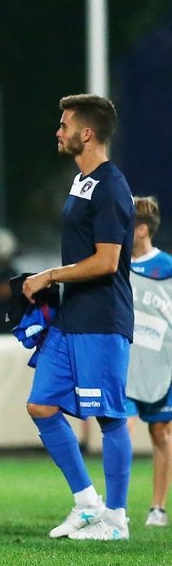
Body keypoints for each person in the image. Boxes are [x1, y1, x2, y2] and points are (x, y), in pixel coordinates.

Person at [22, 94, 134, 541]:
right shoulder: (81, 181)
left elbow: (107, 261)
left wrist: (50, 274)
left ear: (86, 134)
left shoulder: (111, 187)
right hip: (71, 317)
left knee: (109, 418)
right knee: (41, 404)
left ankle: (117, 520)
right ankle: (88, 504)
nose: (58, 131)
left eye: (64, 125)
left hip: (102, 319)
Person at [124, 196, 172, 528]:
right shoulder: (112, 264)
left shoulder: (167, 268)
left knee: (161, 433)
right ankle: (116, 505)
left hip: (160, 367)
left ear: (141, 230)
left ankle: (157, 507)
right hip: (124, 365)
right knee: (120, 429)